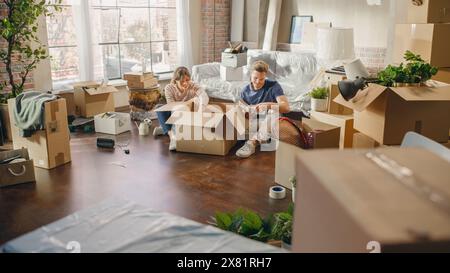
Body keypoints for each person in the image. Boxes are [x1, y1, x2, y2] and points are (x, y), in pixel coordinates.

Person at [236, 61, 290, 158]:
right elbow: (242, 110)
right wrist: (247, 112)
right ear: (250, 75)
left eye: (262, 79)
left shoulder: (273, 86)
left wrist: (267, 105)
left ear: (265, 76)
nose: (258, 82)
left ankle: (252, 143)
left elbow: (286, 107)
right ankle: (258, 138)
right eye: (255, 78)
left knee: (273, 110)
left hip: (272, 123)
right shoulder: (245, 91)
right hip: (255, 123)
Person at [153, 66, 209, 151]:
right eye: (182, 81)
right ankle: (172, 136)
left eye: (187, 80)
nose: (185, 83)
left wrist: (200, 112)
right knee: (160, 107)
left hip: (186, 115)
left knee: (180, 111)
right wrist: (188, 101)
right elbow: (172, 106)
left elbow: (204, 96)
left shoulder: (192, 85)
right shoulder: (169, 88)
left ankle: (164, 128)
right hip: (174, 114)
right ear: (175, 80)